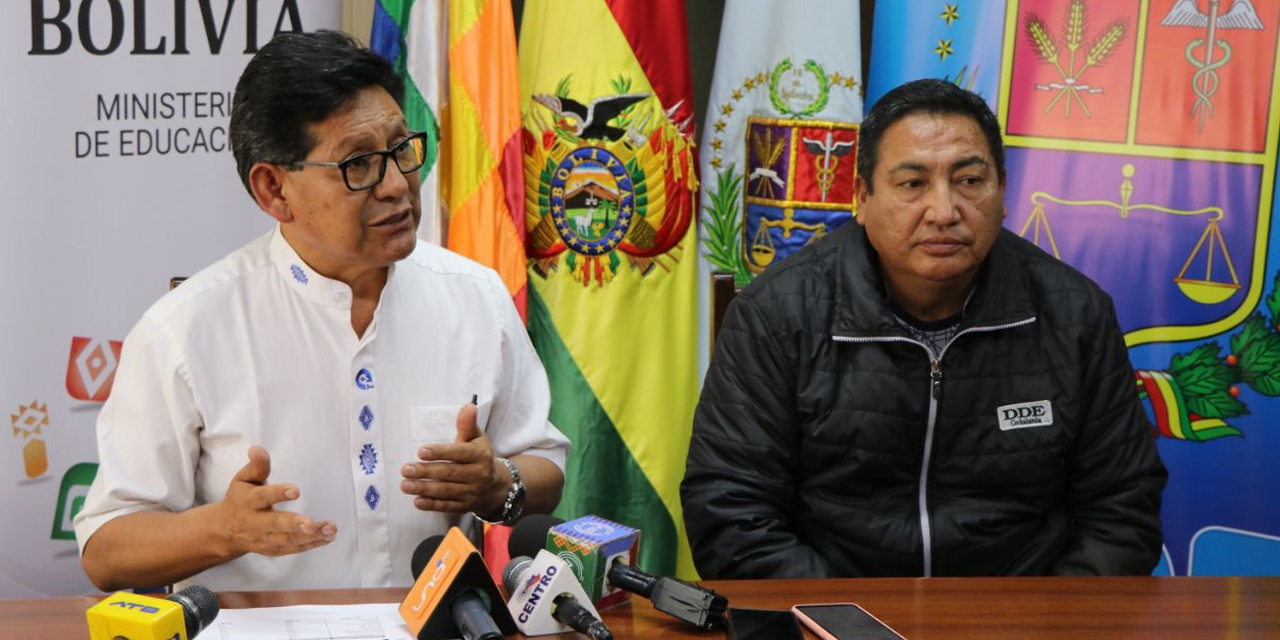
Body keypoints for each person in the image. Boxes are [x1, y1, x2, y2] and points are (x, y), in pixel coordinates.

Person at [74, 30, 569, 592]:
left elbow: (544, 467)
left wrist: (496, 483)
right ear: (274, 190)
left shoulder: (474, 296)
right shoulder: (185, 330)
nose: (396, 185)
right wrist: (226, 530)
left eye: (402, 149)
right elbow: (106, 549)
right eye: (359, 164)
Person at [681, 79, 1167, 578]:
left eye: (970, 181)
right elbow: (731, 509)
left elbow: (1121, 510)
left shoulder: (1075, 314)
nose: (944, 211)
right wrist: (847, 625)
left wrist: (1042, 625)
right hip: (834, 617)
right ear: (863, 197)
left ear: (1002, 190)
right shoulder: (776, 315)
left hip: (1019, 616)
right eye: (913, 183)